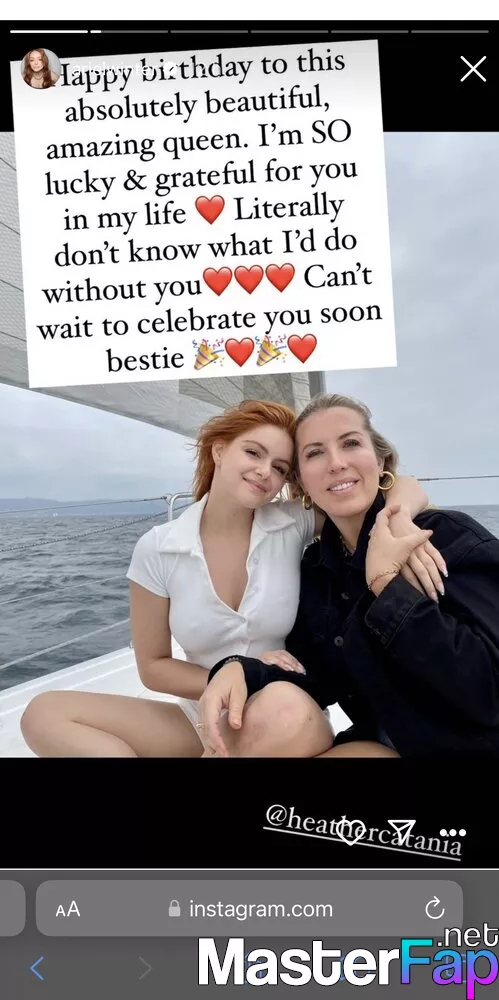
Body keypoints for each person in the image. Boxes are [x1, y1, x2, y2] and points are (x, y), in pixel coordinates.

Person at [20, 399, 442, 758]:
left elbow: (388, 486)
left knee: (291, 714)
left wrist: (400, 517)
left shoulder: (293, 522)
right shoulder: (159, 548)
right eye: (253, 453)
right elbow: (152, 667)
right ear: (219, 450)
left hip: (289, 708)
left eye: (280, 467)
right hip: (203, 714)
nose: (265, 472)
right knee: (44, 713)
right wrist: (231, 675)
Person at [199, 393, 499, 758]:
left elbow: (488, 691)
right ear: (301, 482)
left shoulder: (446, 538)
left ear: (380, 460)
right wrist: (239, 669)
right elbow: (315, 677)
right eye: (315, 453)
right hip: (384, 742)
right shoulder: (318, 568)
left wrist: (386, 585)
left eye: (351, 443)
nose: (337, 463)